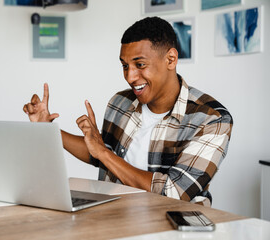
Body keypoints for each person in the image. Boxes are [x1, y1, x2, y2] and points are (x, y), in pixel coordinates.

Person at [23, 17, 233, 206]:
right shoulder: (120, 102)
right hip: (113, 217)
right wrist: (47, 129)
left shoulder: (212, 119)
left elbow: (173, 193)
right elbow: (100, 155)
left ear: (171, 59)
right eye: (125, 66)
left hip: (172, 226)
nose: (130, 77)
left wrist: (103, 153)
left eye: (140, 64)